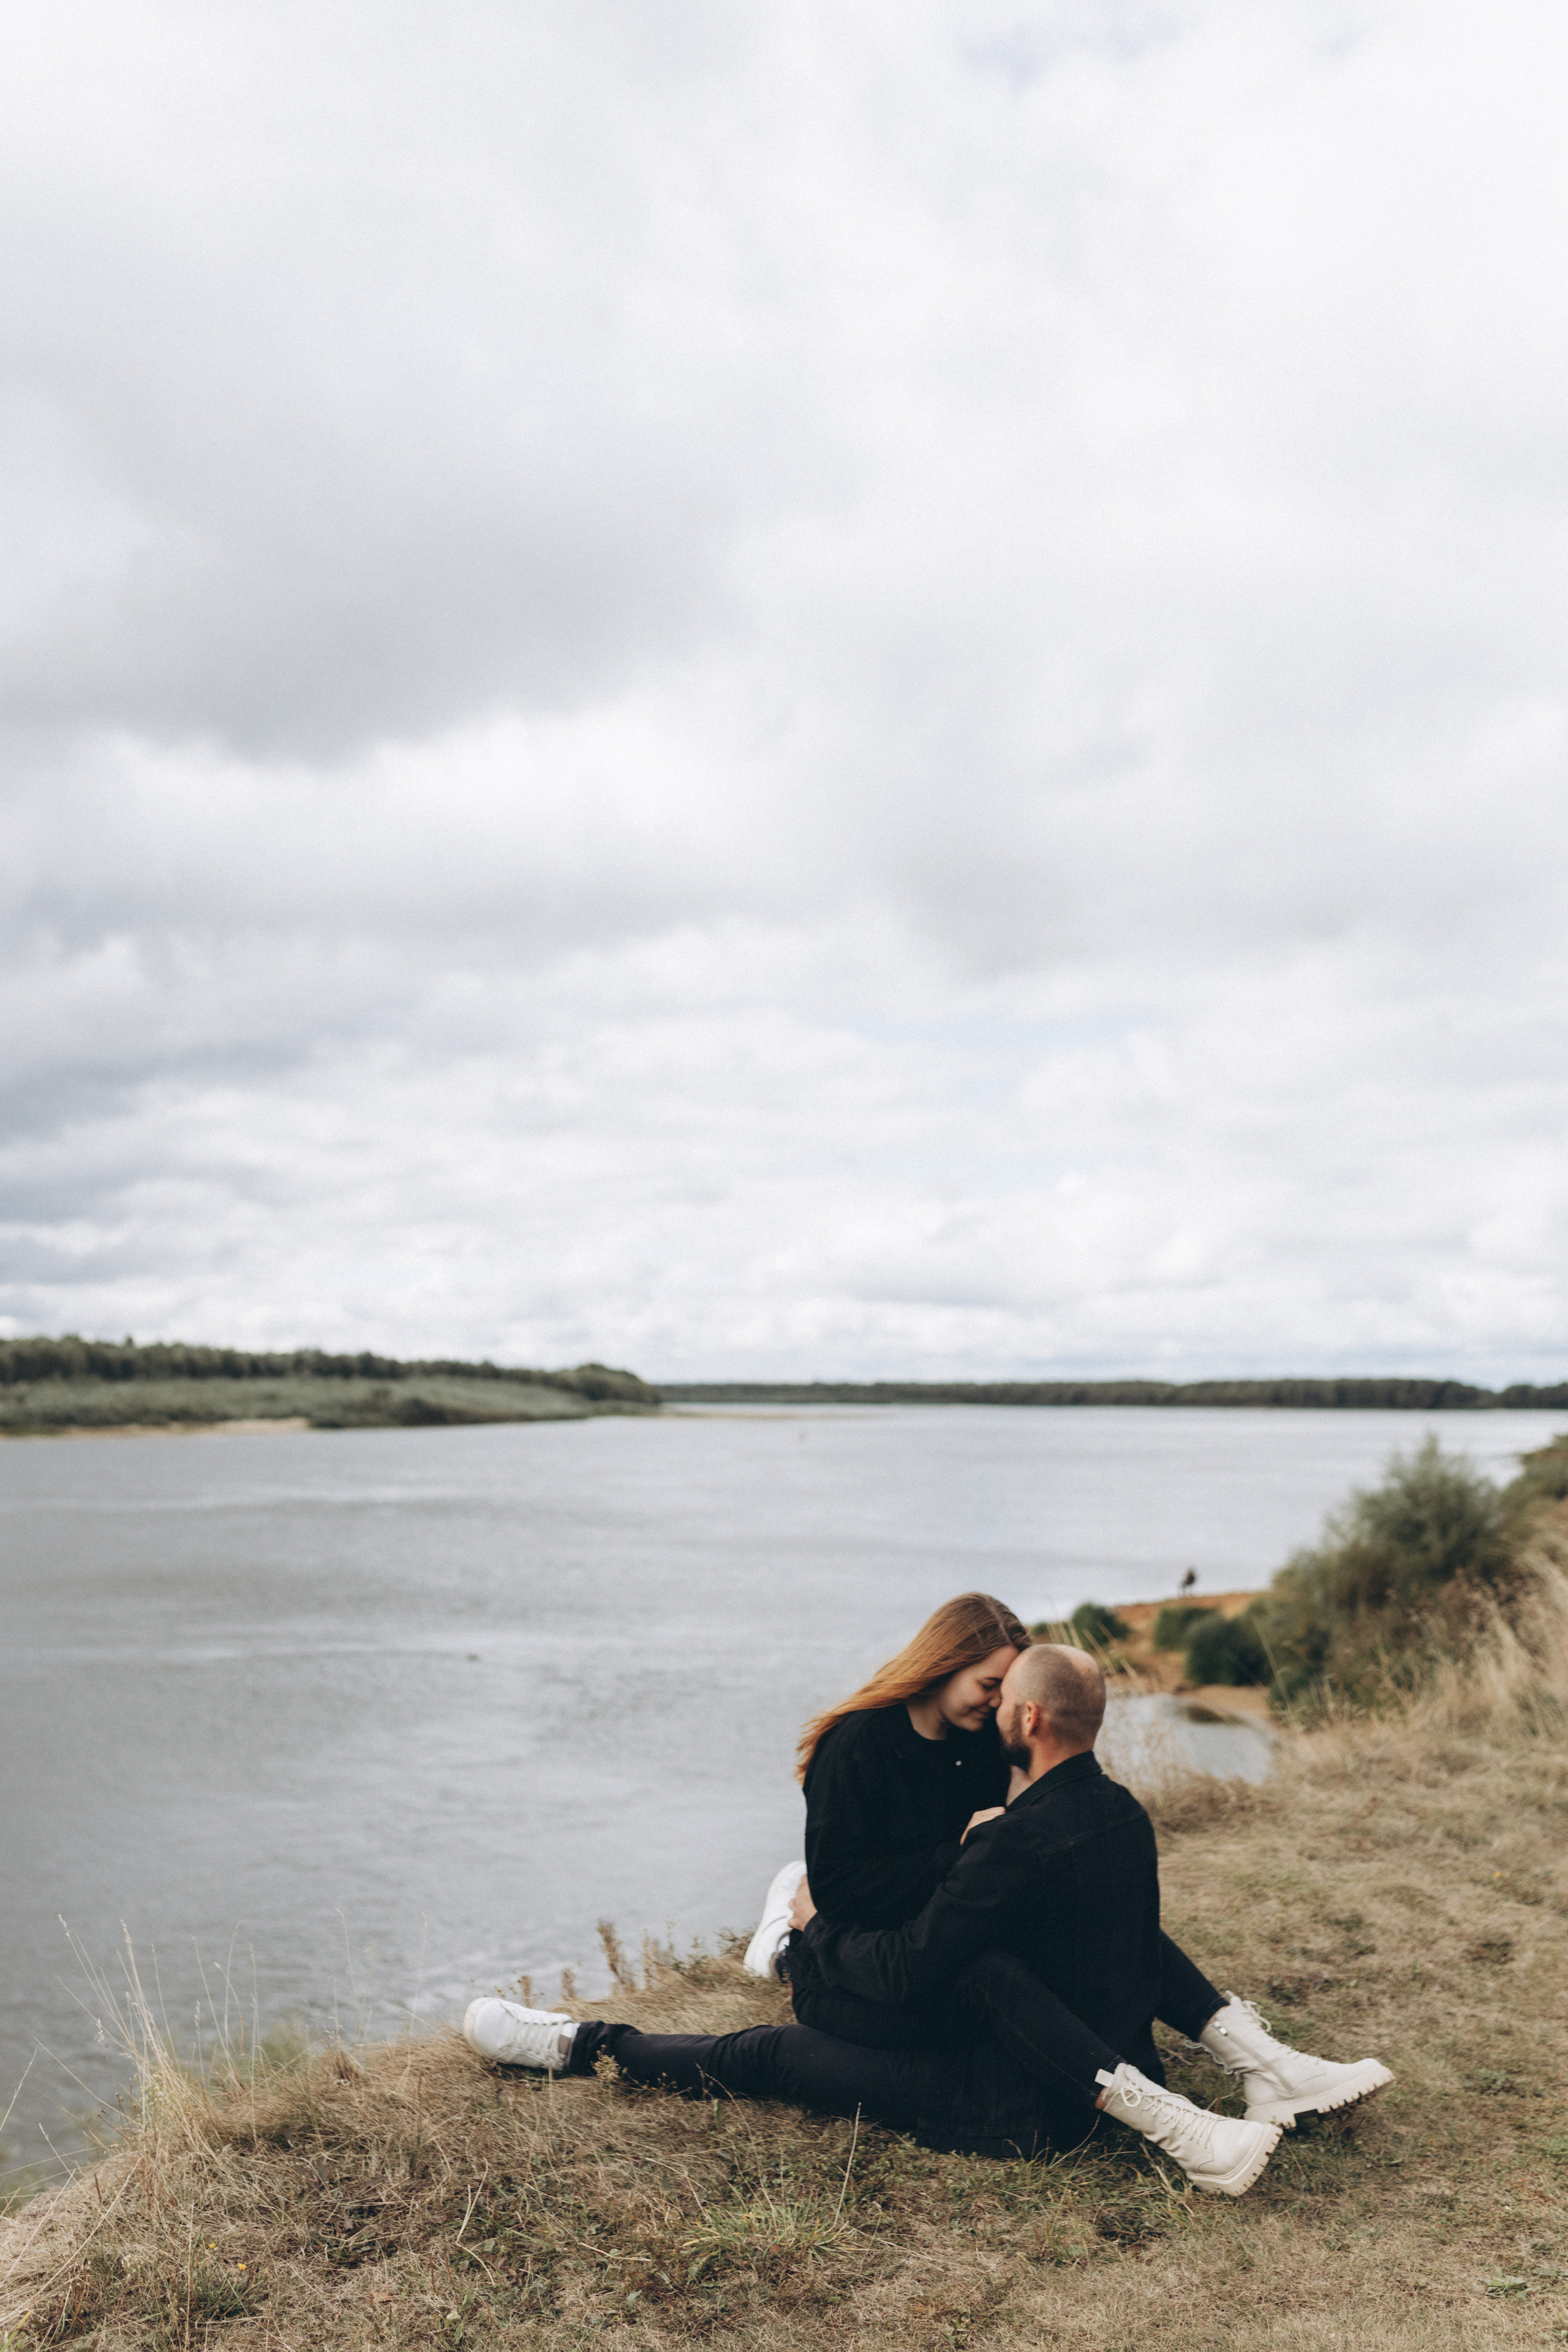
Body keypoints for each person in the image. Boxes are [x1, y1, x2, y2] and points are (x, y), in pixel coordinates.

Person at [461, 1646, 1391, 2195]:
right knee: (983, 1964)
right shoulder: (1121, 1814)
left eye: (1001, 1701)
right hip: (1066, 2056)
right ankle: (1262, 2071)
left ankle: (580, 2043)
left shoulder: (1014, 1843)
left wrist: (818, 1928)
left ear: (1027, 1716)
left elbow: (910, 1973)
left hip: (1011, 2100)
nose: (990, 1713)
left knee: (767, 2057)